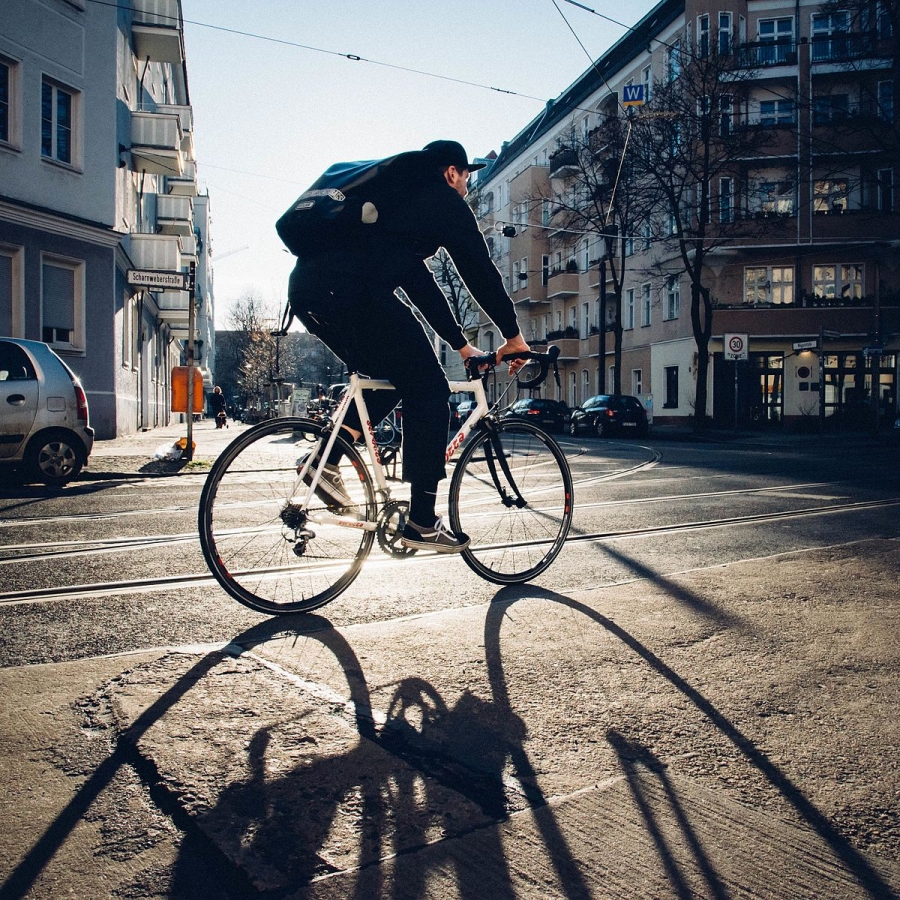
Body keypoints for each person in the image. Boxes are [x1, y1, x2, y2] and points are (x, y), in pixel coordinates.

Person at [288, 140, 529, 553]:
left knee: (389, 377)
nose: (467, 187)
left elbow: (419, 284)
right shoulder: (440, 200)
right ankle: (421, 520)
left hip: (308, 291)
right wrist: (513, 336)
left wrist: (461, 345)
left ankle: (323, 461)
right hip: (350, 293)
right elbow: (477, 267)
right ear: (452, 172)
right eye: (466, 177)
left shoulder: (398, 207)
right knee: (431, 390)